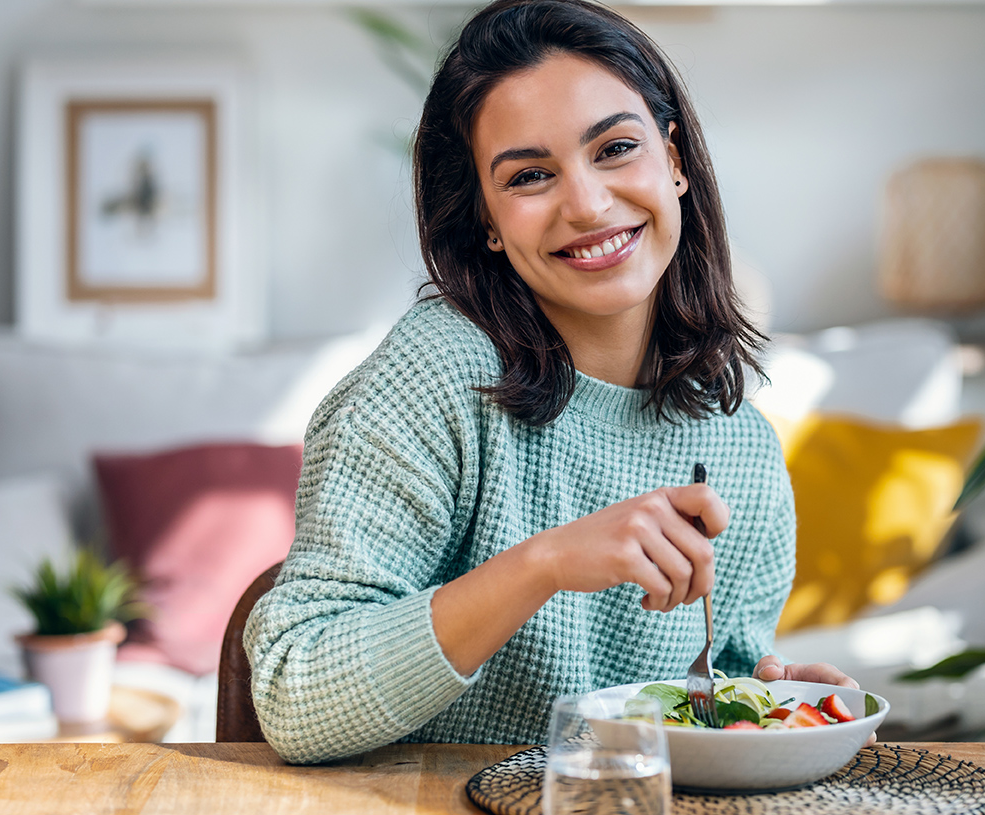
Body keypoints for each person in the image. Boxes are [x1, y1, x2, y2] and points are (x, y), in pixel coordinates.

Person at [245, 0, 858, 765]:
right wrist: (543, 564)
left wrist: (760, 700)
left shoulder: (744, 451)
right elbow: (294, 695)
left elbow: (703, 693)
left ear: (673, 161)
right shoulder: (435, 377)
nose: (588, 204)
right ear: (489, 222)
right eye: (531, 175)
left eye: (615, 149)